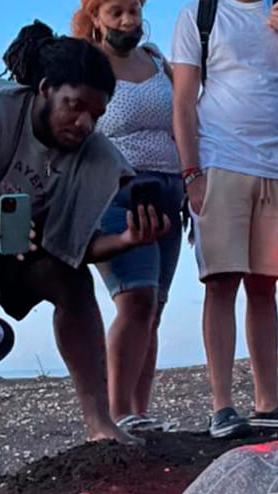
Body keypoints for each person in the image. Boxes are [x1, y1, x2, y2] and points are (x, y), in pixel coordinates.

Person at [0, 22, 171, 494]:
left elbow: (71, 251)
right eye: (75, 105)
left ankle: (100, 423)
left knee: (75, 285)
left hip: (15, 239)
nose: (83, 123)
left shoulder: (97, 157)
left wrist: (126, 238)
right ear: (44, 90)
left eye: (96, 114)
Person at [171, 0, 278, 439]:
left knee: (266, 285)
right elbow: (183, 100)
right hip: (220, 162)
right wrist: (191, 173)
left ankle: (267, 402)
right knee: (220, 281)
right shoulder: (199, 15)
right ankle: (222, 406)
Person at [72, 0, 184, 433]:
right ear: (95, 17)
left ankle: (139, 410)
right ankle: (116, 412)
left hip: (168, 190)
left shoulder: (157, 61)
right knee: (134, 297)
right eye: (116, 12)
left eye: (134, 10)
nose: (128, 21)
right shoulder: (87, 64)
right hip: (116, 191)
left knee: (153, 304)